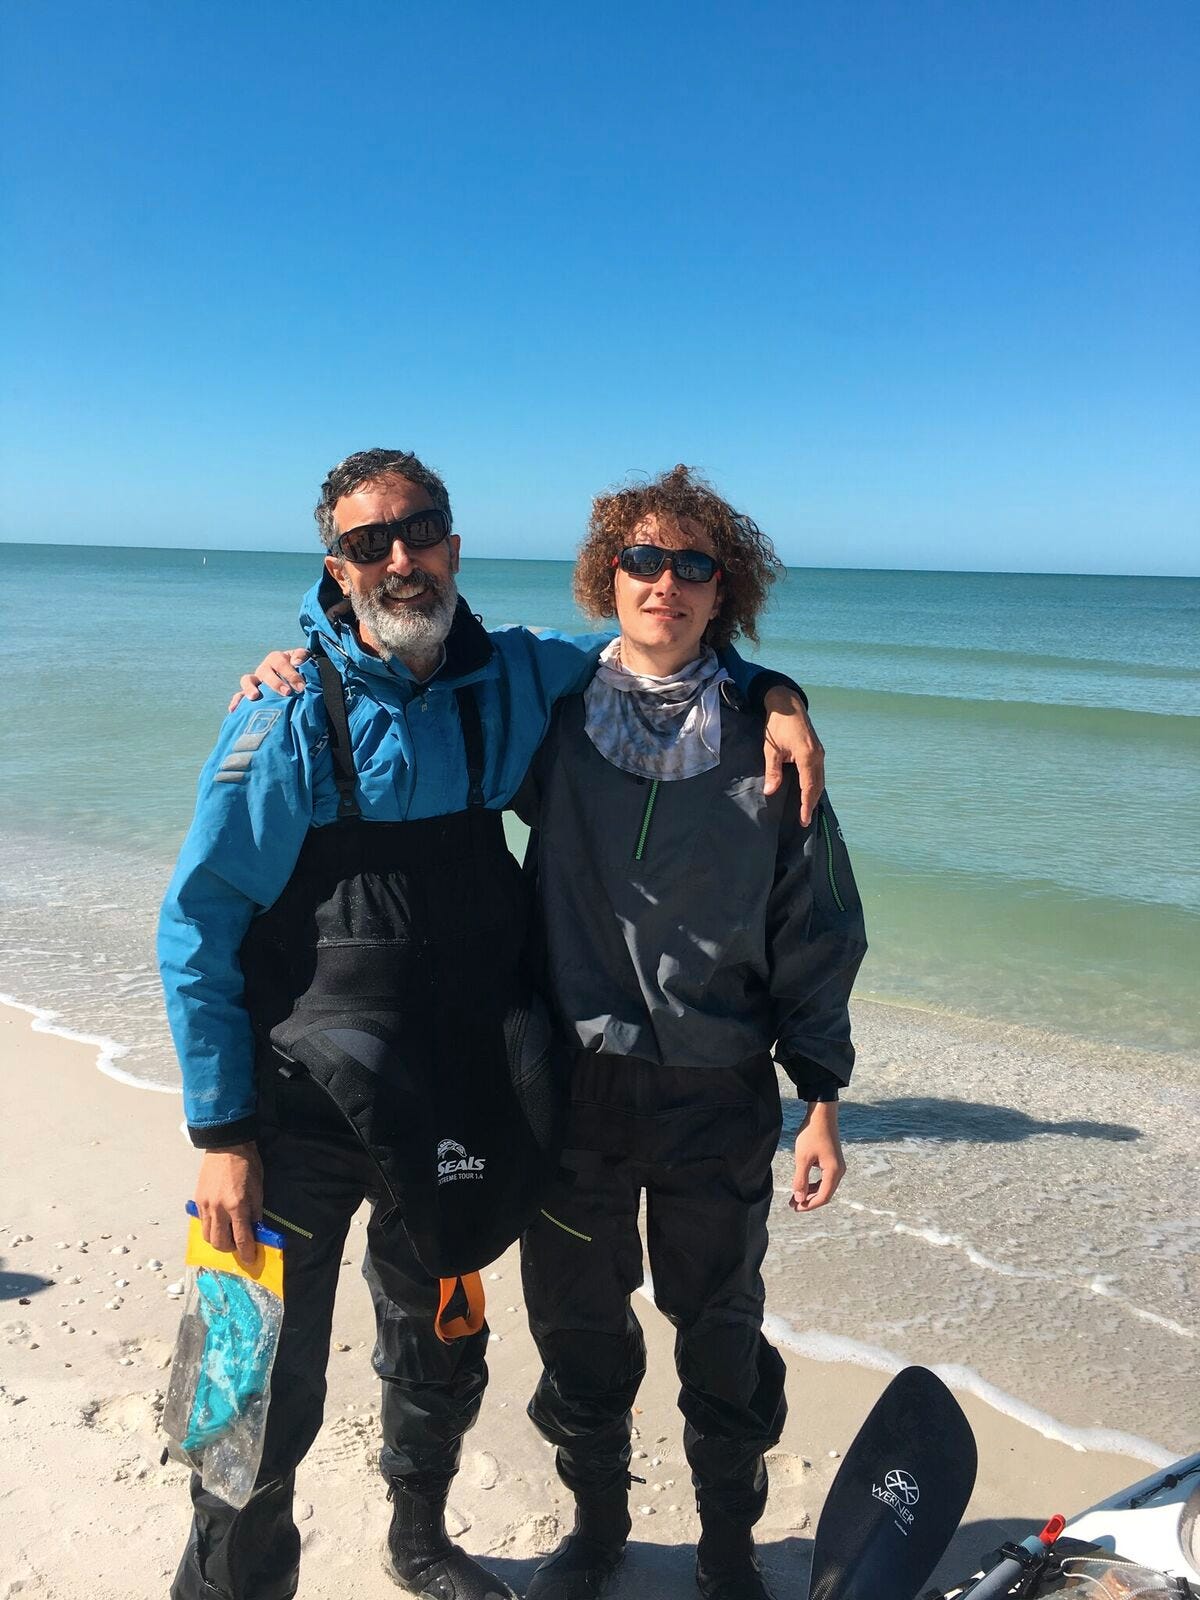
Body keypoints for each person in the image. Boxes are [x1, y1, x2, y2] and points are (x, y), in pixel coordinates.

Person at [159, 447, 823, 1600]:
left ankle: (417, 1536)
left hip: (454, 1094)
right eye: (371, 544)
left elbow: (664, 652)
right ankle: (225, 1580)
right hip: (289, 1111)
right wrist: (220, 1131)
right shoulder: (284, 718)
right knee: (246, 1370)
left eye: (419, 534)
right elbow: (198, 924)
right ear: (336, 567)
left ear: (456, 548)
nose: (400, 560)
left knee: (442, 1341)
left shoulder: (519, 679)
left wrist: (777, 696)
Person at [513, 467, 867, 1600]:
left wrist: (820, 1098)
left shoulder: (771, 742)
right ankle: (598, 1528)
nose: (666, 583)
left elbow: (815, 928)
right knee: (576, 1324)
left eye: (694, 566)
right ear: (606, 577)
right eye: (644, 561)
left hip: (717, 1088)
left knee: (721, 1330)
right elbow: (417, 678)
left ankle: (725, 1549)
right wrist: (287, 663)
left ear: (727, 593)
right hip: (575, 1084)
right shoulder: (552, 721)